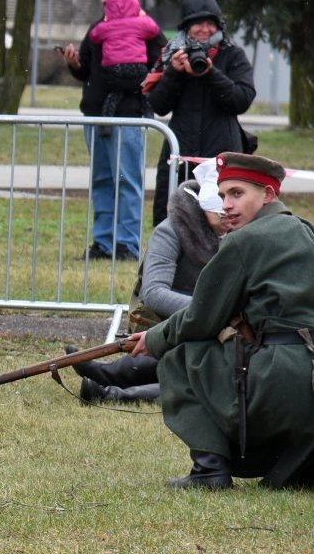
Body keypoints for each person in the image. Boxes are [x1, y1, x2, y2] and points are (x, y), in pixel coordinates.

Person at [132, 153, 314, 490]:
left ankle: (209, 470)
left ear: (269, 195)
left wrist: (157, 337)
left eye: (237, 194)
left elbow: (201, 319)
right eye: (223, 194)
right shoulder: (306, 232)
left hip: (278, 382)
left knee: (179, 357)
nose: (226, 205)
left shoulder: (244, 241)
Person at [75, 160, 228, 404]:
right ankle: (111, 376)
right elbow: (154, 293)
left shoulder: (247, 233)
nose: (227, 213)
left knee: (204, 366)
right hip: (168, 320)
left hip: (217, 326)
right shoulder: (171, 231)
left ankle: (114, 388)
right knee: (184, 349)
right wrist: (207, 311)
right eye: (219, 207)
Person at [63, 0, 163, 261]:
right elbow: (86, 70)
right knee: (103, 180)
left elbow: (160, 65)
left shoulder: (148, 29)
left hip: (128, 116)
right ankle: (104, 243)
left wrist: (136, 86)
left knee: (128, 181)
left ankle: (127, 245)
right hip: (96, 116)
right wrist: (73, 64)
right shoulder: (98, 29)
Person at [146, 0, 256, 227]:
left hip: (222, 155)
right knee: (171, 222)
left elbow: (242, 100)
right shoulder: (172, 55)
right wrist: (174, 73)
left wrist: (210, 73)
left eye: (210, 24)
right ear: (186, 27)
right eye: (198, 24)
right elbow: (158, 105)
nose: (205, 29)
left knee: (223, 222)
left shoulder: (232, 55)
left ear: (219, 27)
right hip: (180, 154)